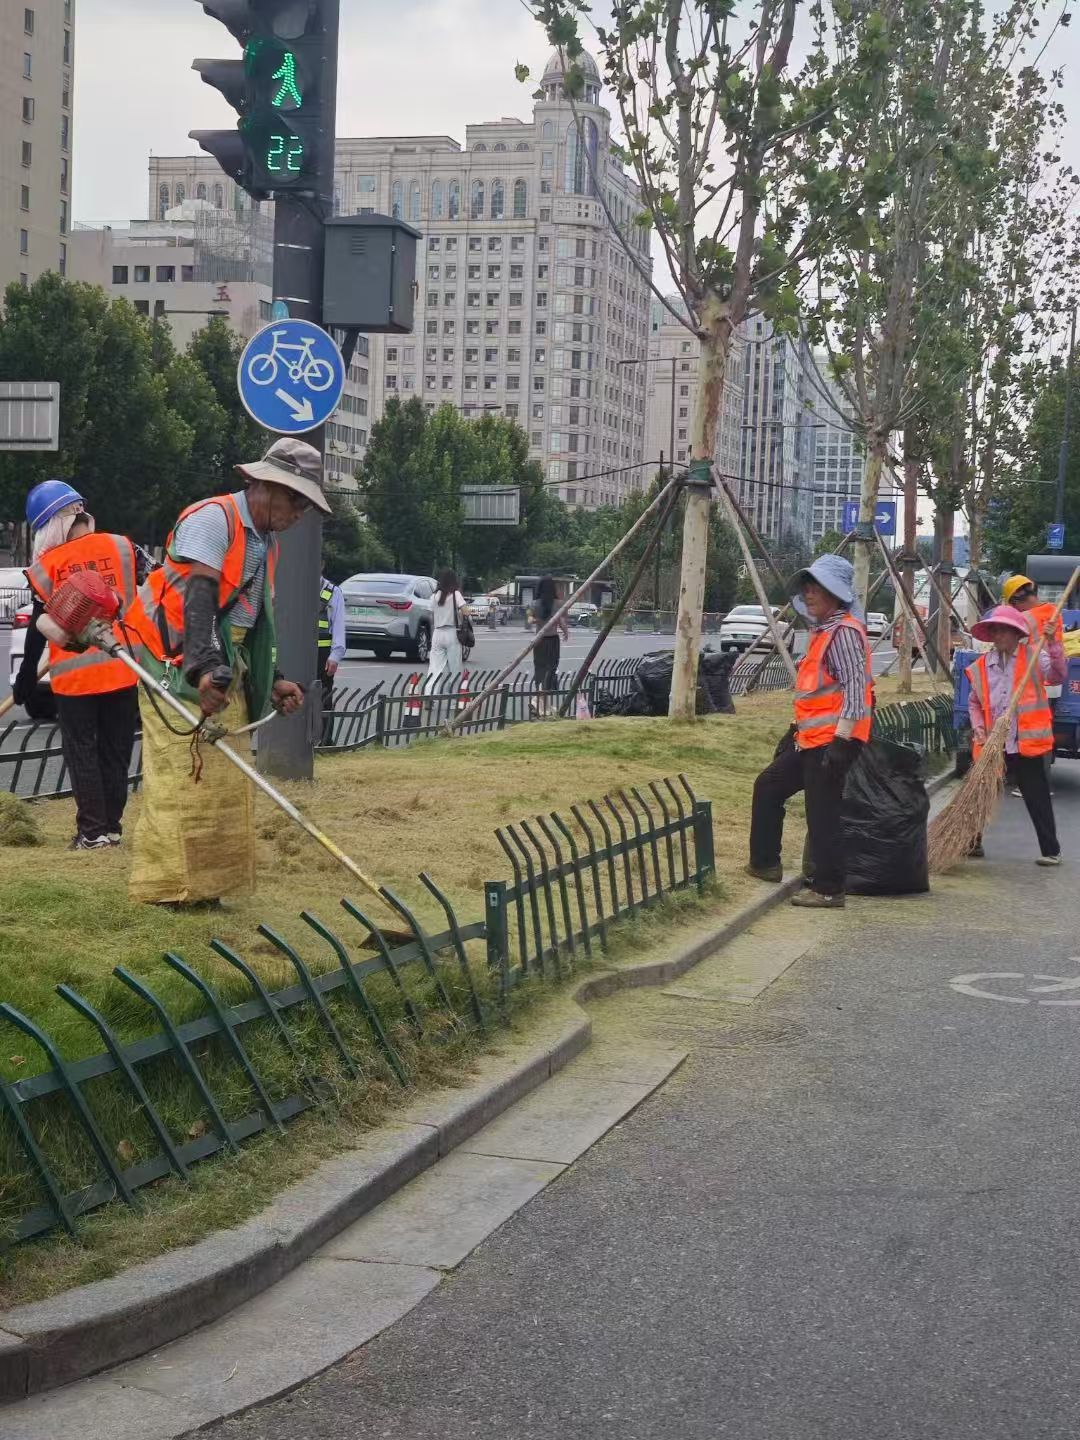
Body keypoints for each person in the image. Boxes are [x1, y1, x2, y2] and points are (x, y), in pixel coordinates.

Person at [123, 438, 330, 906]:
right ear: (266, 485)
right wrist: (202, 668)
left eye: (305, 506)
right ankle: (168, 889)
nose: (299, 514)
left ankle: (210, 888)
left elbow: (252, 622)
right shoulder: (213, 520)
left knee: (224, 782)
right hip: (172, 659)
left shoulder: (266, 544)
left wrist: (273, 677)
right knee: (184, 776)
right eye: (297, 500)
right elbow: (199, 598)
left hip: (221, 661)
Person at [15, 480, 141, 851]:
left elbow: (39, 628)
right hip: (123, 666)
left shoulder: (50, 563)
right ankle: (112, 829)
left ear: (50, 525)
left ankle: (92, 833)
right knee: (116, 751)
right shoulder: (124, 547)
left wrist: (24, 679)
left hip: (76, 676)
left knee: (82, 751)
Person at [747, 554, 874, 909]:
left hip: (834, 741)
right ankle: (765, 864)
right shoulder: (824, 632)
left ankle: (830, 889)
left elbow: (855, 688)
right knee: (769, 785)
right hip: (812, 739)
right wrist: (795, 730)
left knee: (823, 813)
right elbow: (815, 694)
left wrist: (842, 739)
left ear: (836, 593)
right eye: (807, 586)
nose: (809, 592)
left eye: (817, 586)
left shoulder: (845, 631)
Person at [965, 603, 1065, 865]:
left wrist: (1053, 642)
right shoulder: (981, 666)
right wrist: (977, 726)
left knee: (1036, 794)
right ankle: (971, 842)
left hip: (1025, 741)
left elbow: (1058, 675)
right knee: (979, 792)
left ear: (1016, 633)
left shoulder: (1034, 657)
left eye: (1004, 630)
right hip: (992, 741)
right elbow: (974, 701)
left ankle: (1050, 850)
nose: (998, 635)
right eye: (995, 630)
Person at [532, 574, 569, 717]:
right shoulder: (558, 603)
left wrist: (536, 619)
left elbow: (531, 619)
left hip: (539, 640)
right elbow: (560, 620)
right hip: (553, 640)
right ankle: (541, 702)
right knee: (551, 670)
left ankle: (541, 702)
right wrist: (565, 632)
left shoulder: (535, 603)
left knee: (540, 669)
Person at [317, 573, 346, 744]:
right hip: (299, 653)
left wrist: (335, 655)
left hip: (322, 654)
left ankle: (325, 740)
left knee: (324, 697)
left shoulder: (332, 592)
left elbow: (338, 625)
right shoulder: (295, 586)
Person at [427, 568, 466, 689]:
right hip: (451, 633)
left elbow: (430, 614)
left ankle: (429, 694)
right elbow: (465, 611)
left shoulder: (434, 596)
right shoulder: (456, 594)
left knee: (435, 667)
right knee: (454, 668)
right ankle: (454, 698)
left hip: (437, 633)